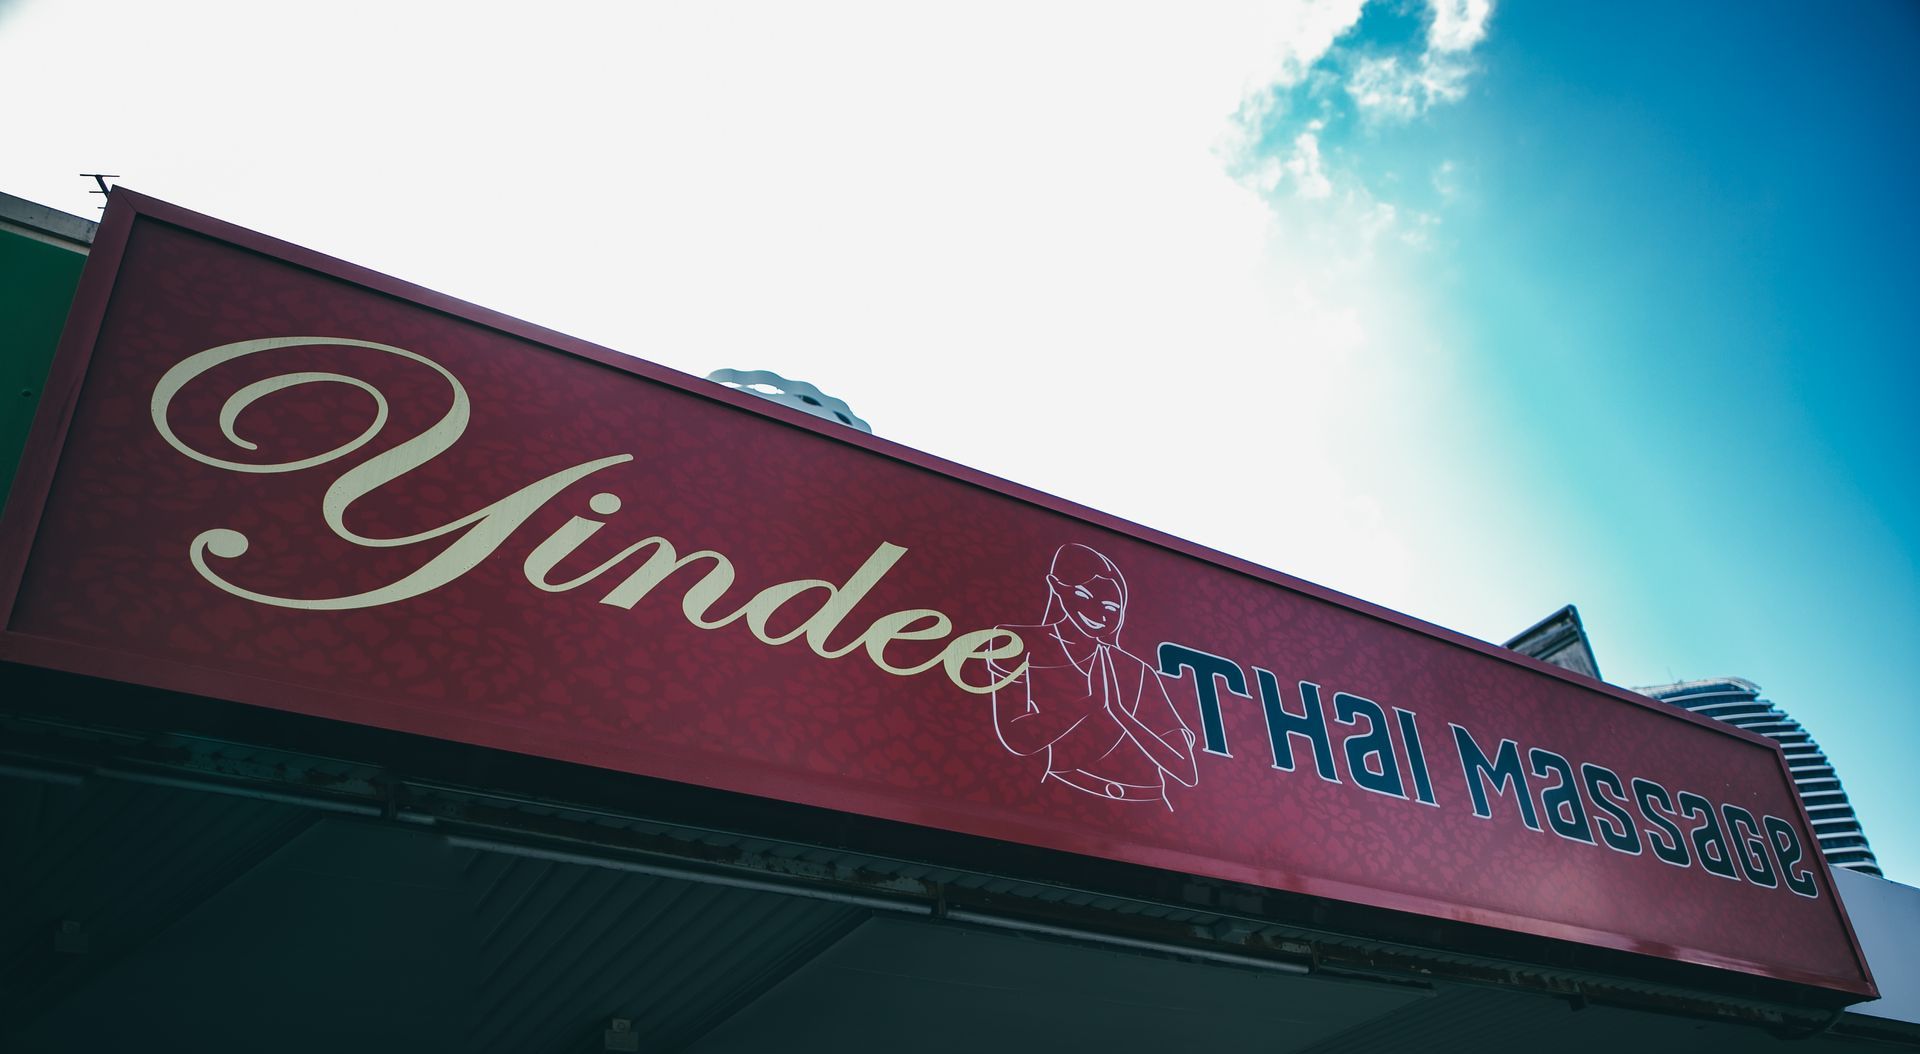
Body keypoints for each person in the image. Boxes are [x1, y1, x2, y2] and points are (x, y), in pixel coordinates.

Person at [990, 543, 1199, 808]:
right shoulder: (1015, 642)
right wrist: (1092, 703)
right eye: (1083, 595)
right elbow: (1017, 738)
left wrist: (1120, 713)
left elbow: (1186, 771)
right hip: (1065, 798)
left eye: (1111, 608)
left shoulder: (1136, 670)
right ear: (1056, 587)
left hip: (1148, 804)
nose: (1099, 614)